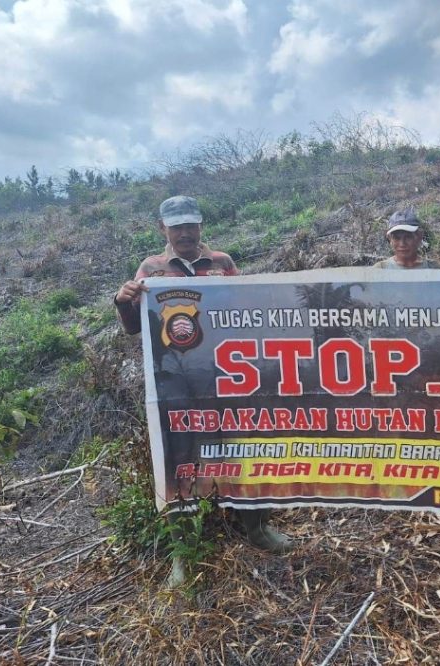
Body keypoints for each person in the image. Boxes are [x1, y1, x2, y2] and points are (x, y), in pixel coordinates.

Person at [115, 195, 292, 583]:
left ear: (200, 226)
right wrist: (124, 301)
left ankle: (258, 528)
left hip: (228, 380)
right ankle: (184, 553)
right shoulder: (151, 268)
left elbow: (246, 313)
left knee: (245, 453)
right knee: (180, 462)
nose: (185, 233)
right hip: (177, 387)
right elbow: (133, 328)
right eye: (176, 226)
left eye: (190, 225)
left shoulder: (223, 263)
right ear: (163, 229)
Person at [373, 209, 440, 269]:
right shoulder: (380, 269)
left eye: (408, 237)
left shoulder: (434, 269)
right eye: (396, 238)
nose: (402, 244)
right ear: (389, 239)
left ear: (419, 236)